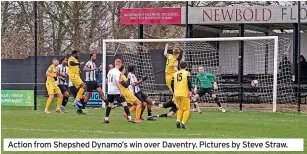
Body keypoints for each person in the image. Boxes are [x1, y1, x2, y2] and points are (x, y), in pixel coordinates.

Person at [104, 59, 134, 123]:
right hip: (116, 91)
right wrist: (120, 91)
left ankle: (106, 118)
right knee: (124, 103)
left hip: (110, 91)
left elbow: (106, 81)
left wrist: (110, 86)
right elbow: (117, 82)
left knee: (110, 104)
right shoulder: (117, 72)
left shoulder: (110, 71)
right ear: (120, 64)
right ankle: (129, 117)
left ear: (115, 64)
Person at [171, 61, 192, 129]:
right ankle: (183, 122)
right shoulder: (187, 73)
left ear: (179, 67)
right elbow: (189, 82)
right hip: (184, 93)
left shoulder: (175, 74)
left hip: (176, 94)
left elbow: (172, 83)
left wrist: (174, 91)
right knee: (187, 109)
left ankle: (178, 120)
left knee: (180, 108)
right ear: (186, 66)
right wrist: (190, 91)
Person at [68, 50, 86, 115]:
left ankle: (79, 108)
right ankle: (76, 102)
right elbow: (71, 63)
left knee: (82, 95)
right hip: (74, 77)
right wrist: (79, 64)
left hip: (76, 76)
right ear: (74, 54)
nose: (78, 55)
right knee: (83, 86)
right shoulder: (71, 58)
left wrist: (78, 71)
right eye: (77, 54)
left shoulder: (75, 60)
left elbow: (74, 67)